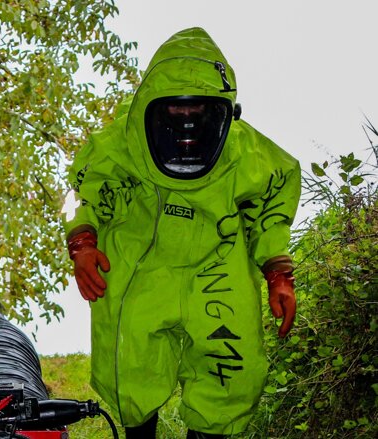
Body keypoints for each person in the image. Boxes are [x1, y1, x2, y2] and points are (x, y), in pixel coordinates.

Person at [65, 27, 300, 438]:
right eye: (176, 109)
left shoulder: (248, 153)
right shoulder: (119, 143)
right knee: (129, 364)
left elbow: (272, 206)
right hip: (139, 266)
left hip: (217, 268)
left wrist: (278, 270)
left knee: (230, 370)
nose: (188, 122)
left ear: (224, 112)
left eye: (199, 111)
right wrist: (81, 241)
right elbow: (76, 192)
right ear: (150, 106)